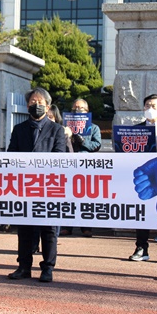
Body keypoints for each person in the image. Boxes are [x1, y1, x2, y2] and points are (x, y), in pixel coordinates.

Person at [7, 87, 66, 283]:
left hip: (49, 186)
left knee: (48, 229)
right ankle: (24, 266)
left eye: (40, 103)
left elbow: (59, 156)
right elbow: (11, 155)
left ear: (48, 106)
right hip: (25, 186)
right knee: (25, 228)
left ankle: (48, 268)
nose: (36, 105)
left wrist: (37, 164)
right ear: (27, 106)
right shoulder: (19, 129)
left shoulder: (57, 130)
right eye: (33, 102)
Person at [127, 94, 157, 263]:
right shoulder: (135, 130)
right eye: (146, 106)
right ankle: (141, 248)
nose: (149, 109)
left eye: (153, 106)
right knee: (141, 213)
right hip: (143, 176)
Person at [60, 98, 101, 238]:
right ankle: (67, 226)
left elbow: (96, 146)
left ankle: (86, 227)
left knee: (86, 196)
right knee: (67, 195)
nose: (77, 111)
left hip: (86, 166)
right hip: (68, 165)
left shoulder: (94, 128)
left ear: (87, 111)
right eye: (74, 108)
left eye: (80, 108)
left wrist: (80, 139)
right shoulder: (65, 127)